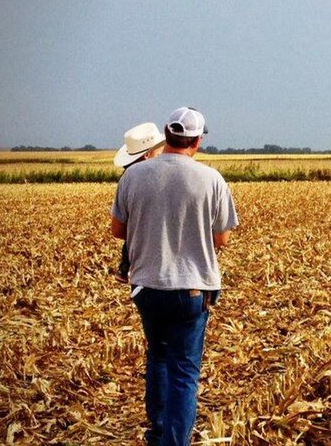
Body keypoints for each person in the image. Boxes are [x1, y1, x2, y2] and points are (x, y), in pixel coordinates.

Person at [110, 107, 238, 446]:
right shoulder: (211, 179)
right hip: (193, 288)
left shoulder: (132, 177)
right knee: (184, 370)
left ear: (166, 134)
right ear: (197, 141)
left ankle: (158, 431)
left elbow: (117, 230)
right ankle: (175, 441)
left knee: (158, 356)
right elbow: (222, 238)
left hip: (147, 286)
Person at [112, 122, 166, 283]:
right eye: (159, 149)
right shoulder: (154, 177)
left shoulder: (127, 178)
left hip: (141, 270)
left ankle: (124, 268)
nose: (163, 152)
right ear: (147, 154)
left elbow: (118, 230)